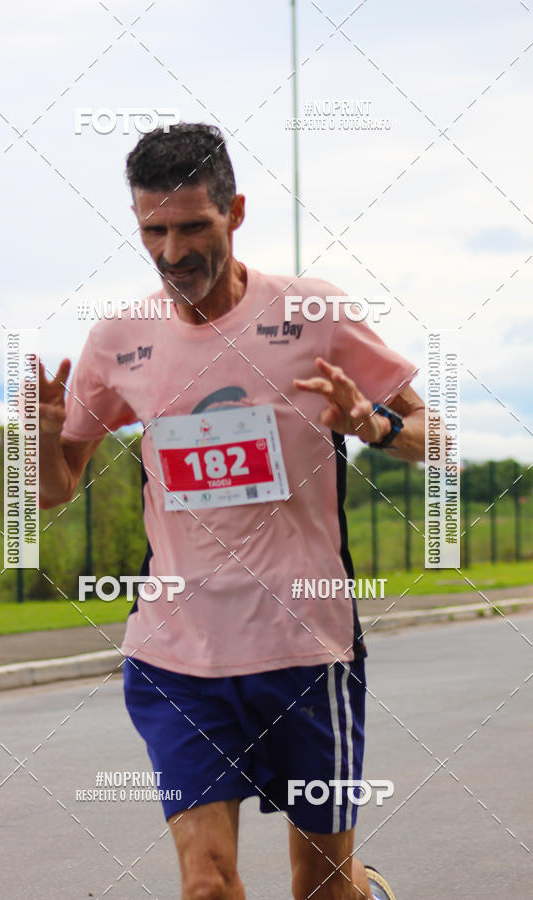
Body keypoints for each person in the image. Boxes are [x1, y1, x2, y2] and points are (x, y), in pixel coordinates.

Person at [40, 123, 425, 900]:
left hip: (304, 650)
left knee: (321, 887)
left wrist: (372, 426)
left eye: (194, 228)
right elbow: (54, 488)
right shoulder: (120, 339)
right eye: (154, 230)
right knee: (207, 886)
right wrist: (46, 441)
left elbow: (433, 434)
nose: (173, 251)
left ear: (235, 212)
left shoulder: (315, 313)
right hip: (177, 655)